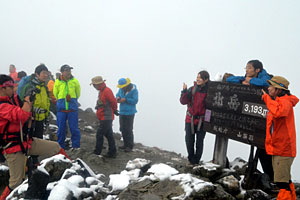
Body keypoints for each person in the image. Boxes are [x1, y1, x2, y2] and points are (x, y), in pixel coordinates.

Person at [0, 74, 70, 200]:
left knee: (55, 147)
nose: (13, 89)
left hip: (27, 142)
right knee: (15, 183)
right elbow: (21, 115)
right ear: (2, 89)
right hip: (13, 148)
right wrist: (27, 100)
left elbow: (26, 113)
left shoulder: (12, 100)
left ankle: (71, 169)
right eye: (10, 86)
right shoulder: (1, 106)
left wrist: (29, 99)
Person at [227, 60, 274, 180]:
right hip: (256, 123)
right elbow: (229, 80)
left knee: (266, 152)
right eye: (246, 67)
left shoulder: (265, 76)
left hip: (268, 123)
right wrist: (243, 80)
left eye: (249, 68)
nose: (246, 70)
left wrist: (250, 81)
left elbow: (265, 82)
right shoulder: (248, 76)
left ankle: (273, 179)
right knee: (261, 151)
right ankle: (269, 178)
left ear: (257, 70)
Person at [262, 76, 298, 199]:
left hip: (284, 148)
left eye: (271, 86)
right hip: (280, 147)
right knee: (285, 180)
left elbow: (278, 113)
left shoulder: (285, 101)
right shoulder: (279, 100)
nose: (269, 88)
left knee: (281, 183)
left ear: (279, 89)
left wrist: (267, 99)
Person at [180, 70, 210, 165]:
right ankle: (191, 159)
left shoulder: (210, 91)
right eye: (197, 77)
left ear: (206, 80)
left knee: (199, 142)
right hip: (190, 119)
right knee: (189, 140)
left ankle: (196, 161)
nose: (198, 79)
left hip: (202, 120)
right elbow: (183, 101)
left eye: (200, 77)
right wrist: (184, 91)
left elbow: (210, 107)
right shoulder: (192, 89)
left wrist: (207, 121)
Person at [19, 64, 50, 139]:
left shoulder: (44, 88)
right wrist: (33, 111)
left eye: (47, 73)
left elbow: (47, 103)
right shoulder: (29, 86)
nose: (46, 75)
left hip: (41, 120)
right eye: (43, 73)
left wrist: (46, 116)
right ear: (37, 74)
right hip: (30, 120)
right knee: (29, 140)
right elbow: (22, 102)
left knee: (38, 140)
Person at [53, 65, 81, 149]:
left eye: (69, 70)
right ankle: (60, 147)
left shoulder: (75, 81)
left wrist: (72, 100)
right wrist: (62, 101)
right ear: (62, 72)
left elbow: (78, 93)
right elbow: (55, 94)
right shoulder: (57, 82)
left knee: (74, 128)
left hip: (72, 109)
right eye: (66, 70)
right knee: (61, 129)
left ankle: (75, 147)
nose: (68, 72)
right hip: (61, 109)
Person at [91, 76, 117, 158]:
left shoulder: (107, 91)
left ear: (99, 84)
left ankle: (97, 152)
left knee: (100, 134)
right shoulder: (102, 91)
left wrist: (115, 110)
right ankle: (112, 152)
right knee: (109, 134)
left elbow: (113, 101)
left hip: (106, 117)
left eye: (94, 85)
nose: (94, 87)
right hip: (104, 116)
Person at [116, 78, 138, 152]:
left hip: (130, 112)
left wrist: (125, 100)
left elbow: (135, 100)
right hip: (122, 112)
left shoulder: (134, 90)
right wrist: (118, 98)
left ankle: (130, 146)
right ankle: (125, 144)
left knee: (128, 129)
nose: (121, 87)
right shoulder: (121, 89)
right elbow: (117, 95)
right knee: (122, 128)